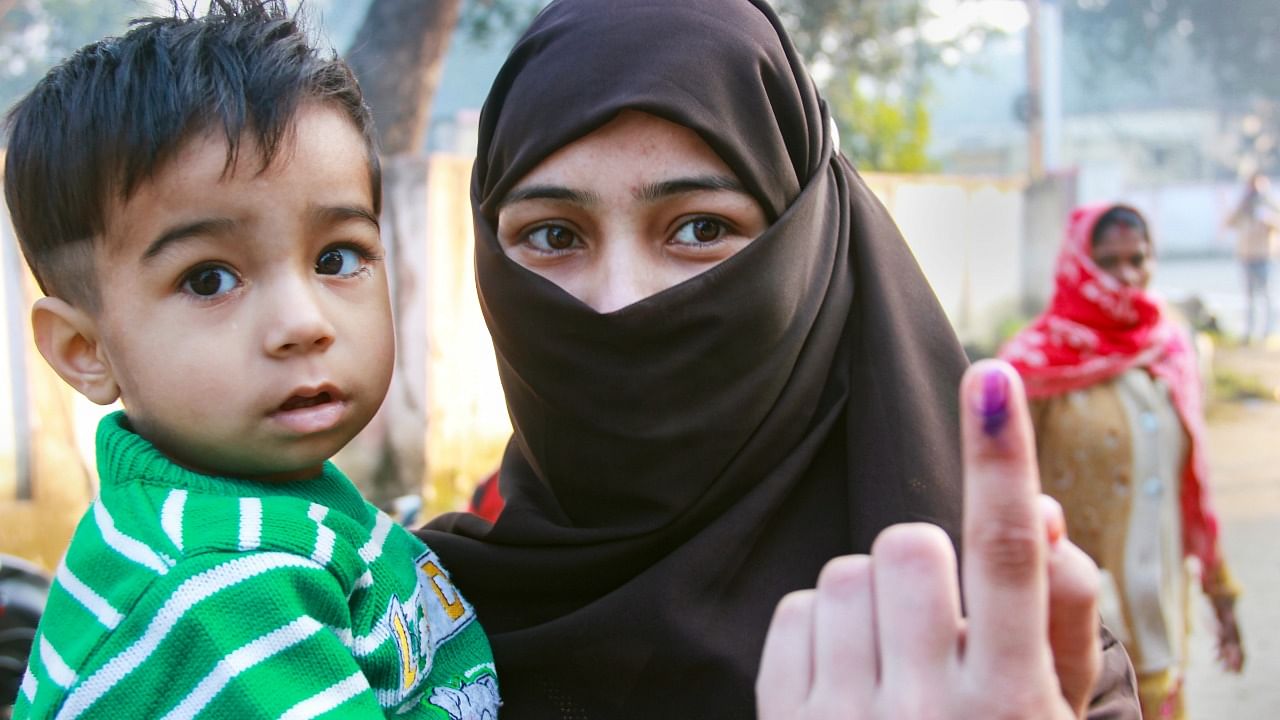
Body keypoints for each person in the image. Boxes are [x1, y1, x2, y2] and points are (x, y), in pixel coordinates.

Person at [417, 0, 1140, 717]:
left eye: (700, 227)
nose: (619, 301)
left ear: (811, 252)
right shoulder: (391, 627)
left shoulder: (1009, 659)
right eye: (552, 236)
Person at [3, 2, 497, 717]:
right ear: (87, 350)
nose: (303, 323)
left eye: (337, 257)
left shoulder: (252, 504)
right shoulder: (223, 595)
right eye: (209, 279)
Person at [1001, 204, 1244, 720]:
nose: (1127, 276)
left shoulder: (1168, 348)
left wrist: (1220, 592)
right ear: (1077, 265)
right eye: (1108, 261)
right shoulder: (1030, 365)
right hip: (1080, 628)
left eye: (1138, 258)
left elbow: (1193, 485)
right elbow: (1003, 498)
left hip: (1160, 613)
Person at [1229, 173, 1277, 344]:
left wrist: (1268, 218)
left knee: (1266, 297)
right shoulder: (1244, 208)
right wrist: (1243, 205)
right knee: (1249, 298)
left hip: (1264, 257)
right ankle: (1249, 332)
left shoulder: (1270, 206)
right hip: (1246, 257)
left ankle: (1267, 332)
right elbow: (1229, 223)